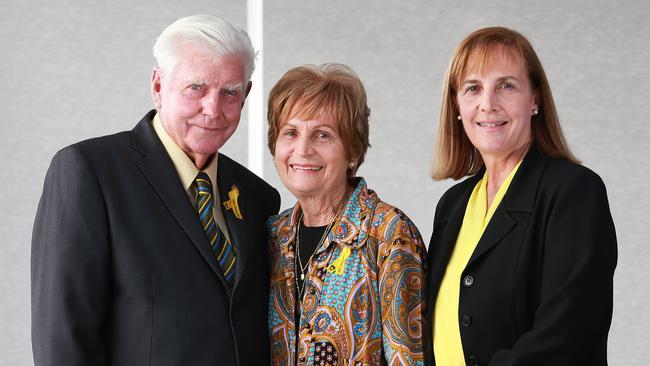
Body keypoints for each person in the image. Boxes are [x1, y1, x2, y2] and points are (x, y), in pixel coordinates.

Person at [31, 15, 280, 365]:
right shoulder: (89, 172)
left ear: (246, 95)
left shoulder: (258, 197)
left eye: (229, 92)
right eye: (197, 88)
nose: (212, 109)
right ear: (159, 85)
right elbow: (64, 337)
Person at [426, 27, 617, 365]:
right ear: (457, 106)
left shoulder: (574, 193)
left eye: (506, 86)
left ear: (535, 100)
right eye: (473, 88)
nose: (488, 104)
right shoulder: (452, 206)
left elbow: (568, 333)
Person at [266, 63, 427, 365]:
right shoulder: (272, 235)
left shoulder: (389, 234)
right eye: (290, 132)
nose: (302, 149)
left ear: (352, 151)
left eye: (322, 135)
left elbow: (408, 359)